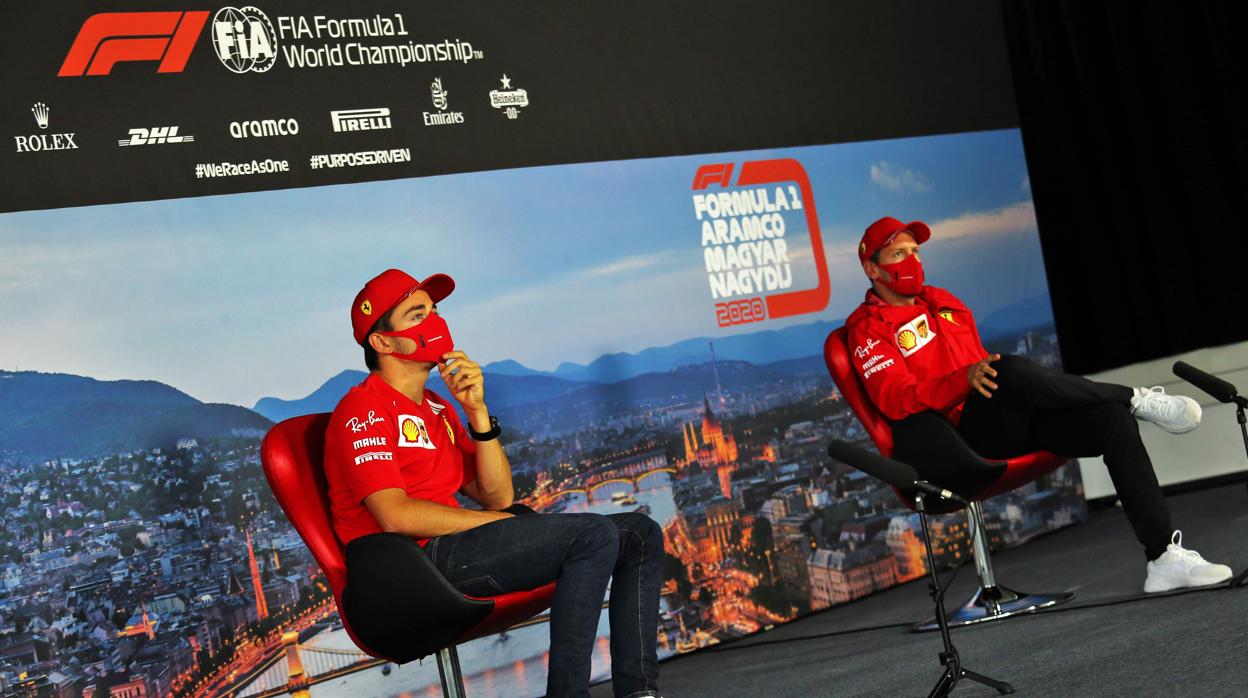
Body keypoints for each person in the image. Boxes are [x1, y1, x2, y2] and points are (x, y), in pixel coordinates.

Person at [323, 269, 664, 698]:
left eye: (434, 310)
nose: (435, 322)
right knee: (594, 536)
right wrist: (496, 523)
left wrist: (478, 413)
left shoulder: (438, 409)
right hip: (410, 569)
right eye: (417, 314)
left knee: (639, 533)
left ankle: (639, 693)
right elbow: (395, 514)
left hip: (453, 550)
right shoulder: (363, 410)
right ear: (383, 342)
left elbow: (498, 495)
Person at [845, 217, 1232, 592]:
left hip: (1007, 420)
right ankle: (1133, 396)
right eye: (898, 254)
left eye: (915, 251)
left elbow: (977, 358)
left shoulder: (943, 302)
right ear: (872, 269)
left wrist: (984, 380)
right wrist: (961, 381)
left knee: (1110, 421)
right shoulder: (867, 330)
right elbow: (893, 399)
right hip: (957, 442)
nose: (912, 261)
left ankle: (1163, 559)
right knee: (1008, 369)